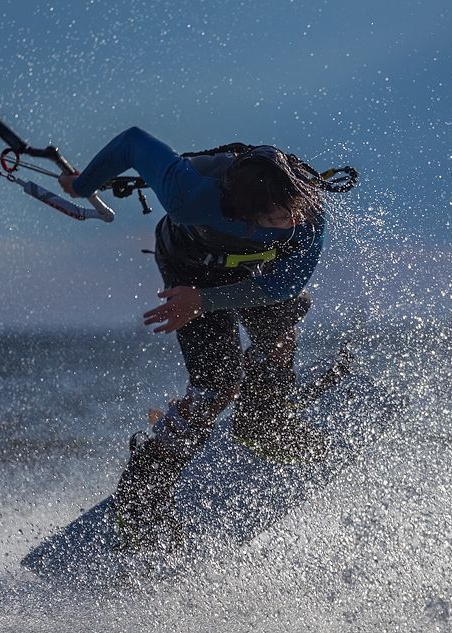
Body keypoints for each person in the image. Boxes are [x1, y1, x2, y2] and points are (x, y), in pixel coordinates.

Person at [58, 127, 334, 548]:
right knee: (215, 386)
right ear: (245, 216)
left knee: (280, 325)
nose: (292, 222)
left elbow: (281, 288)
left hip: (248, 275)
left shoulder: (307, 211)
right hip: (188, 266)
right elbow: (133, 142)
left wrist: (204, 301)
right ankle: (143, 491)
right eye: (278, 219)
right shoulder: (189, 193)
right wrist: (82, 184)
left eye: (293, 211)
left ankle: (264, 418)